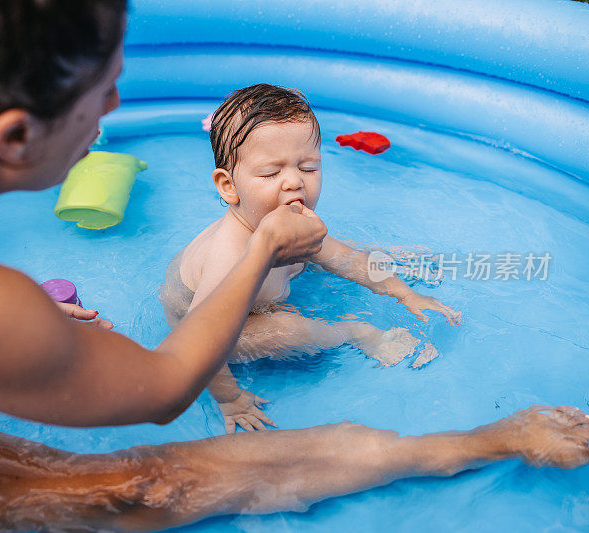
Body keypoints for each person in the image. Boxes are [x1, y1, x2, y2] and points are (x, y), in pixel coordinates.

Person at [0, 2, 586, 532]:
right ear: (13, 138)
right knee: (145, 487)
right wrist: (267, 246)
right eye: (103, 97)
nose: (113, 113)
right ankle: (480, 443)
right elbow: (166, 389)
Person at [160, 84, 461, 433]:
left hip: (260, 297)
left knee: (333, 249)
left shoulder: (295, 223)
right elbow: (203, 342)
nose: (294, 182)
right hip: (212, 322)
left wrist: (405, 293)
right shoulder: (228, 255)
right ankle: (352, 331)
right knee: (288, 331)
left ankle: (393, 260)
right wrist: (230, 399)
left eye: (308, 167)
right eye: (272, 173)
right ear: (229, 187)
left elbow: (347, 259)